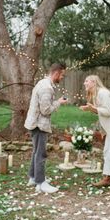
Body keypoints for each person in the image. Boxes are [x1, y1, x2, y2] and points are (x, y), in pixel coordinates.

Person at [24, 63, 68, 193]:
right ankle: (41, 183)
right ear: (56, 73)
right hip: (39, 125)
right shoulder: (47, 88)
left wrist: (56, 101)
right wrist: (58, 103)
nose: (62, 78)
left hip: (34, 123)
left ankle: (33, 177)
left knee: (36, 151)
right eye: (62, 75)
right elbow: (46, 110)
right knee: (41, 153)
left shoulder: (42, 82)